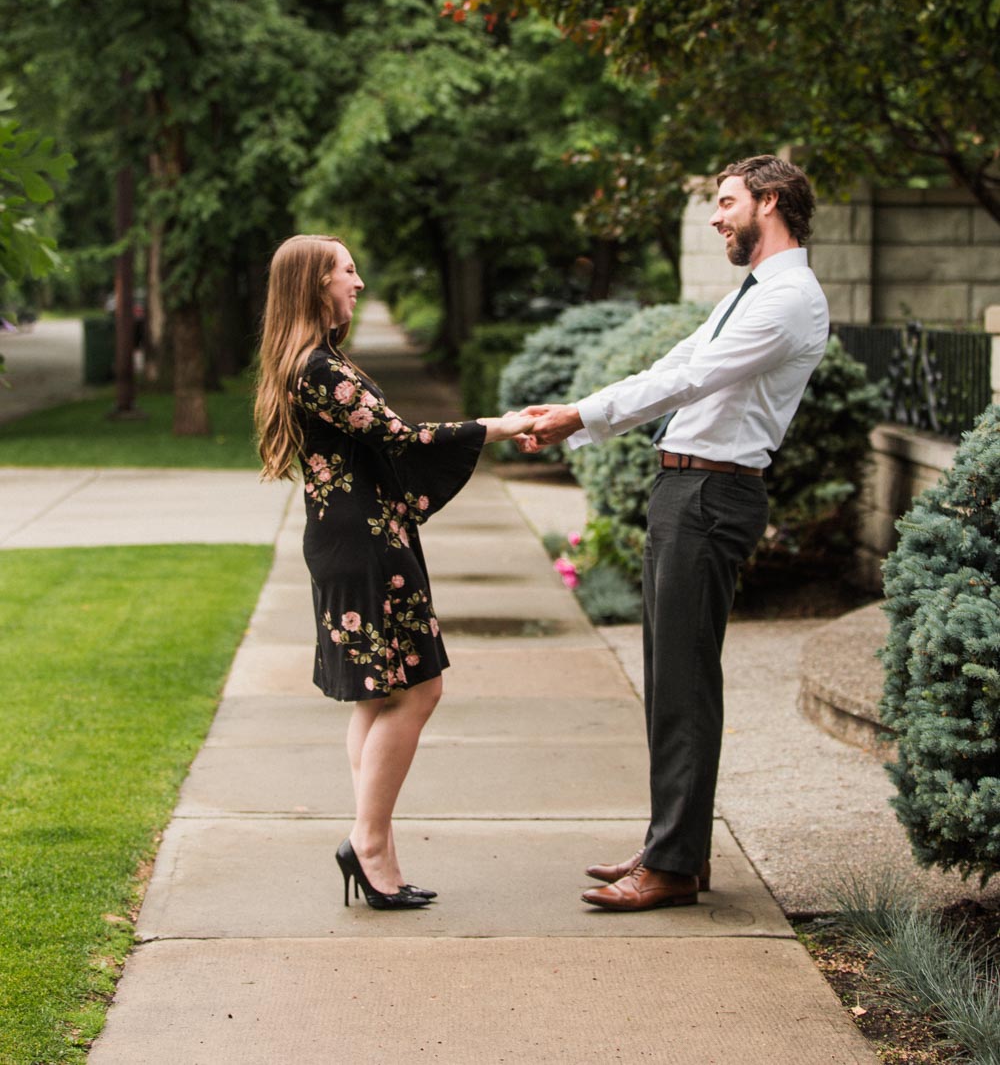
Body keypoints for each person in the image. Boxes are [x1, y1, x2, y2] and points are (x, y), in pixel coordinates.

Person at [519, 155, 829, 911]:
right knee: (668, 679)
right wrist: (580, 413)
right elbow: (677, 362)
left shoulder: (788, 300)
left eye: (726, 202)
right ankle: (672, 845)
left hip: (712, 495)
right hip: (684, 488)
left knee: (685, 683)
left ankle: (675, 865)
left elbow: (694, 381)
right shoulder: (752, 294)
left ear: (773, 200)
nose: (717, 217)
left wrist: (577, 419)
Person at [254, 234, 533, 910]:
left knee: (378, 695)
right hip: (366, 544)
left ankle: (376, 847)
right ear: (315, 285)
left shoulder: (314, 362)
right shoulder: (318, 368)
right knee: (418, 689)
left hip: (352, 538)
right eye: (347, 272)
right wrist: (497, 426)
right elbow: (401, 439)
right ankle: (369, 842)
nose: (358, 282)